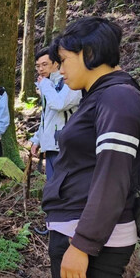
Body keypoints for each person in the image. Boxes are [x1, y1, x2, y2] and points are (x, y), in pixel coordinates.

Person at [43, 17, 140, 278]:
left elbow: (114, 175)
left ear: (88, 52)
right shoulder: (101, 96)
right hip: (82, 231)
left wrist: (84, 245)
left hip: (91, 239)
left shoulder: (117, 98)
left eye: (64, 60)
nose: (60, 69)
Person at [30, 48, 82, 180]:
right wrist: (37, 139)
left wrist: (45, 85)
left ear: (56, 63)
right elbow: (46, 116)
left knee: (63, 185)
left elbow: (59, 104)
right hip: (52, 144)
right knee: (53, 184)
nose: (40, 69)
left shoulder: (69, 82)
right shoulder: (49, 84)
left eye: (44, 64)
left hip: (66, 144)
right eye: (38, 66)